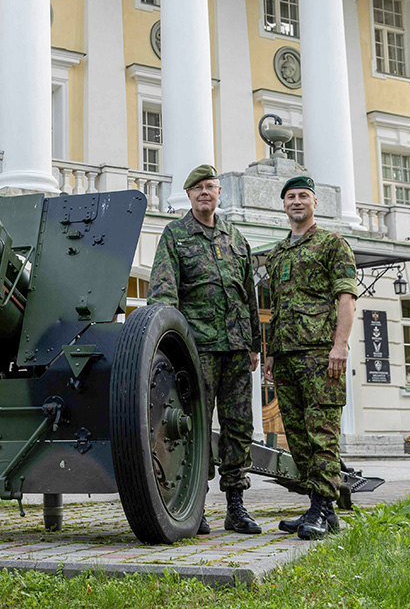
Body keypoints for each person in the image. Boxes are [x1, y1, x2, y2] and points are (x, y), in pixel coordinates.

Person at [147, 164, 263, 535]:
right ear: (189, 196)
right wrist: (169, 347)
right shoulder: (175, 235)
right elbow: (164, 294)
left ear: (218, 193)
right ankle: (194, 506)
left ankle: (236, 506)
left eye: (210, 187)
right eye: (198, 189)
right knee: (193, 426)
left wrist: (255, 345)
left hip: (236, 348)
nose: (205, 194)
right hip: (198, 350)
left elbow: (249, 295)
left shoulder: (235, 238)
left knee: (238, 427)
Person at [262, 176, 358, 540]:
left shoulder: (332, 244)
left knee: (322, 434)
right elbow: (275, 309)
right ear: (284, 205)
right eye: (290, 197)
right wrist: (271, 354)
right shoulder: (277, 254)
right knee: (299, 438)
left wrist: (340, 346)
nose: (297, 202)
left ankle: (320, 508)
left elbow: (346, 298)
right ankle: (323, 511)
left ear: (315, 203)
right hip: (286, 357)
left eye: (303, 196)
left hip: (321, 356)